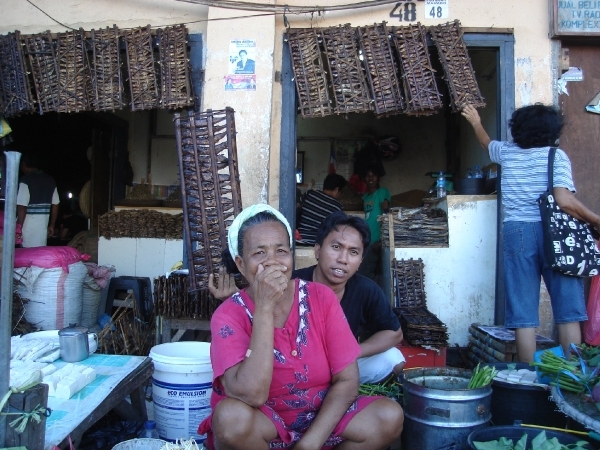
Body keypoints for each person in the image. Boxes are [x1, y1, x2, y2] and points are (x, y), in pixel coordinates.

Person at [199, 204, 403, 450]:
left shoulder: (321, 297)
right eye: (259, 253)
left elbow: (348, 380)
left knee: (388, 416)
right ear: (241, 264)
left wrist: (309, 444)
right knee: (230, 419)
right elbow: (251, 394)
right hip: (263, 424)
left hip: (319, 418)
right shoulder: (228, 315)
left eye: (281, 251)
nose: (273, 262)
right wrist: (264, 307)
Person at [462, 103, 600, 362]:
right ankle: (573, 372)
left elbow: (485, 143)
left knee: (523, 312)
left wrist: (475, 121)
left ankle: (527, 376)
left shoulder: (507, 152)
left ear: (518, 130)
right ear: (552, 130)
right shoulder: (555, 156)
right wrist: (595, 220)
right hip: (556, 235)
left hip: (517, 232)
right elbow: (564, 201)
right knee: (568, 308)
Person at [210, 210, 406, 384]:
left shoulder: (367, 290)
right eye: (336, 247)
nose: (343, 259)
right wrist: (233, 300)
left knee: (393, 358)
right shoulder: (292, 282)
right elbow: (260, 307)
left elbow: (394, 333)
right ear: (317, 250)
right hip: (293, 366)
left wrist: (351, 351)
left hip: (341, 365)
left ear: (361, 260)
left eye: (353, 252)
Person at [16, 152, 59, 248]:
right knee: (39, 255)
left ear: (24, 164)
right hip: (42, 228)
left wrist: (18, 228)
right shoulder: (50, 180)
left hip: (27, 229)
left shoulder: (25, 180)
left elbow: (22, 207)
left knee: (26, 256)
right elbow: (56, 204)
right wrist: (52, 225)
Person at [358, 165, 390, 283]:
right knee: (367, 273)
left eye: (374, 175)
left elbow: (386, 214)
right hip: (367, 241)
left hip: (377, 241)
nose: (370, 178)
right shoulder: (365, 196)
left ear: (378, 178)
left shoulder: (382, 192)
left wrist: (382, 239)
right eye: (368, 176)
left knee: (366, 274)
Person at [296, 173, 346, 245]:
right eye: (341, 192)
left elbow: (296, 208)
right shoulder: (337, 206)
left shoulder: (309, 194)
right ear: (336, 189)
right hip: (319, 244)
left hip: (299, 240)